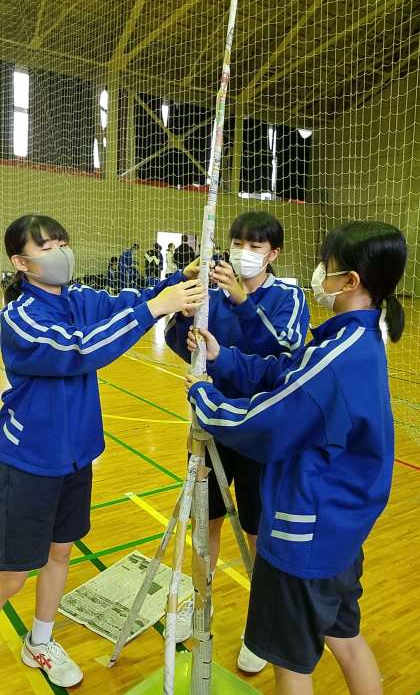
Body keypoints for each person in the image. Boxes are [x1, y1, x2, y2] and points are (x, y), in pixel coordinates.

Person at [185, 220, 407, 695]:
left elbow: (266, 422)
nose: (319, 273)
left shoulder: (338, 355)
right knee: (345, 638)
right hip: (339, 533)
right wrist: (223, 358)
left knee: (290, 665)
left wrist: (205, 397)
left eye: (327, 265)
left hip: (305, 534)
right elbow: (284, 370)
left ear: (350, 281)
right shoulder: (351, 339)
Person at [0, 214, 204, 688]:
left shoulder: (78, 300)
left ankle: (40, 641)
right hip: (29, 461)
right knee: (11, 576)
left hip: (77, 456)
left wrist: (181, 278)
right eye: (47, 246)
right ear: (20, 262)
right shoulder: (20, 318)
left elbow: (128, 302)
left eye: (62, 241)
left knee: (61, 552)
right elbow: (80, 350)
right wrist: (156, 309)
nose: (61, 252)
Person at [165, 211, 309, 670]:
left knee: (258, 528)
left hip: (261, 429)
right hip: (211, 422)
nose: (243, 252)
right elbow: (183, 345)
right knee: (204, 523)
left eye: (254, 245)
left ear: (273, 254)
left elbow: (286, 353)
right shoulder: (212, 290)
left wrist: (242, 300)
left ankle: (259, 625)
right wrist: (182, 321)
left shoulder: (287, 296)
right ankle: (198, 605)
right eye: (238, 243)